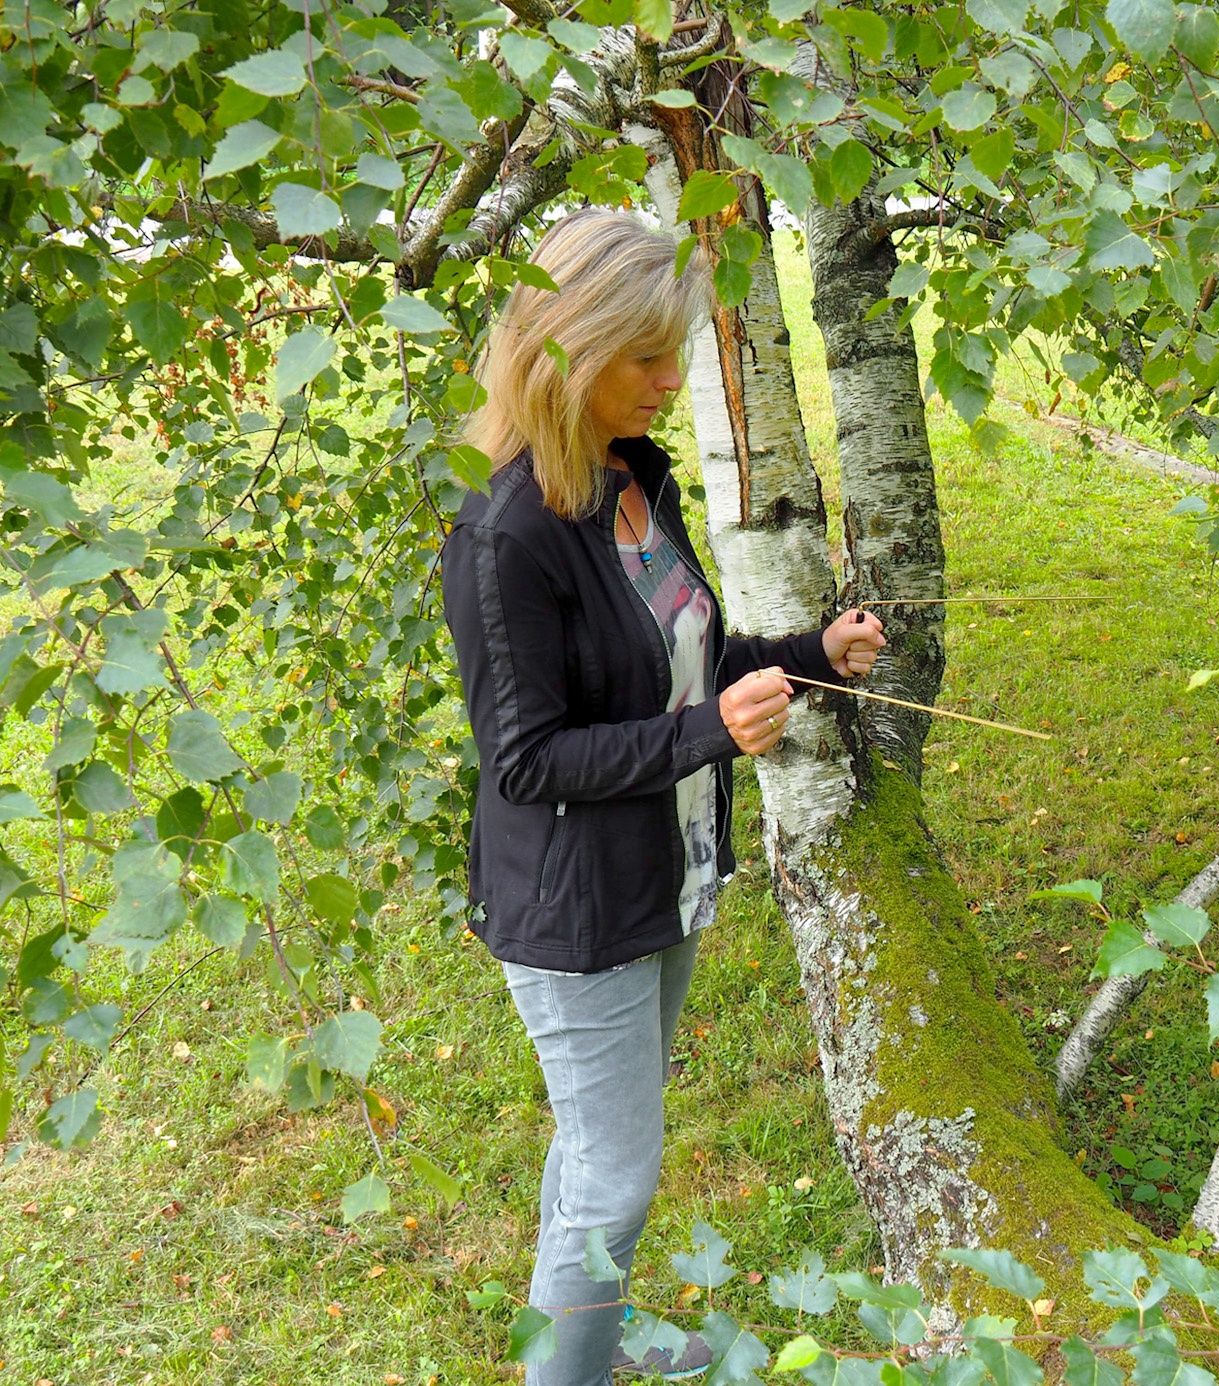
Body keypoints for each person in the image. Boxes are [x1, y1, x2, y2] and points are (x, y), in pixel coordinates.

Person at [438, 207, 885, 1385]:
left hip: (664, 874)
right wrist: (708, 736)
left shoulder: (633, 479)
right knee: (614, 1175)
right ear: (568, 350)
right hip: (575, 910)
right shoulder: (504, 534)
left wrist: (809, 655)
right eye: (642, 356)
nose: (669, 379)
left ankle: (587, 1336)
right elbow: (526, 761)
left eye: (671, 350)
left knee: (596, 1151)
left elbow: (685, 658)